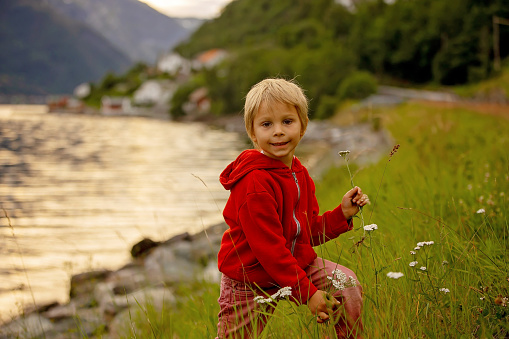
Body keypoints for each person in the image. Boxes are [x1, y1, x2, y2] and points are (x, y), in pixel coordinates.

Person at [216, 78, 368, 338]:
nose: (278, 131)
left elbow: (305, 231)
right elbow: (270, 249)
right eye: (267, 124)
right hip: (249, 278)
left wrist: (341, 215)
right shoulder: (254, 182)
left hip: (295, 264)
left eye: (287, 121)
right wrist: (309, 295)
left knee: (347, 283)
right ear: (252, 133)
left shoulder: (299, 172)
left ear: (303, 126)